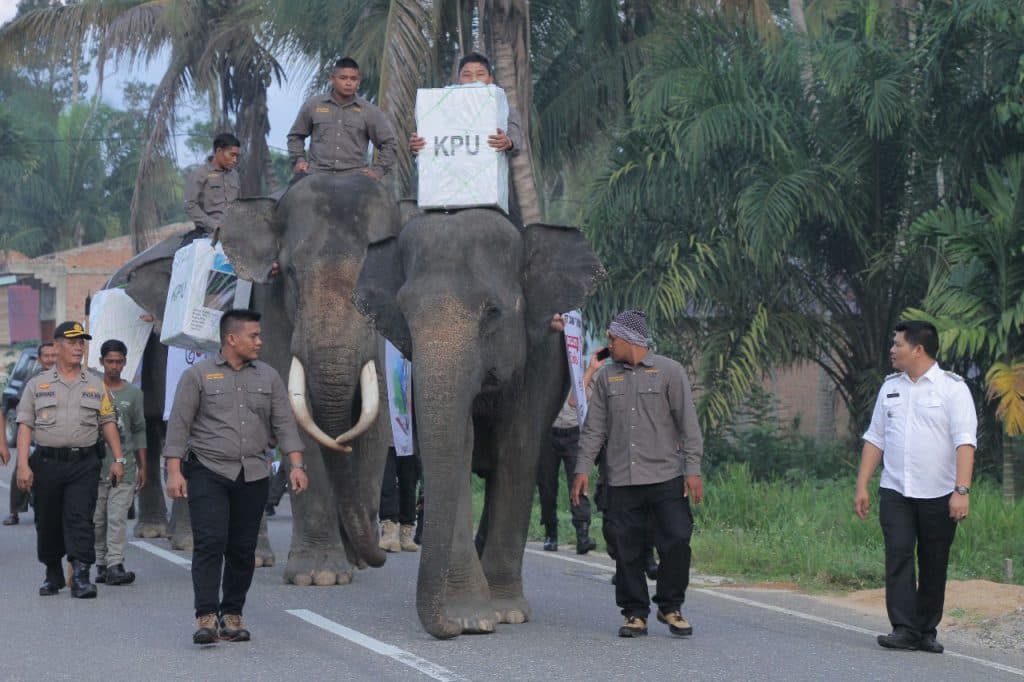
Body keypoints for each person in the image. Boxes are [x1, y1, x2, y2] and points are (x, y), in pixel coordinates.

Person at [164, 309, 308, 645]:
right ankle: (206, 616)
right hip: (208, 471)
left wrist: (296, 464)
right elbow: (179, 426)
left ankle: (232, 614)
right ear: (232, 339)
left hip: (254, 473)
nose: (260, 342)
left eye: (259, 335)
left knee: (243, 549)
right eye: (253, 336)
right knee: (211, 543)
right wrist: (174, 471)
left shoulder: (269, 377)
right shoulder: (198, 375)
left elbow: (284, 424)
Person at [571, 309, 703, 638]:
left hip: (666, 478)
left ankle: (670, 607)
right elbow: (594, 429)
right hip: (621, 479)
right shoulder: (605, 377)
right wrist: (582, 468)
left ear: (630, 340)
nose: (608, 345)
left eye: (612, 339)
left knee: (677, 540)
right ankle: (635, 614)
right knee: (625, 547)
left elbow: (689, 425)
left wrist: (693, 470)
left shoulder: (670, 372)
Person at [855, 320, 976, 654]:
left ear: (918, 349)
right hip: (896, 490)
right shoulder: (890, 387)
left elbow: (965, 442)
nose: (892, 350)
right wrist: (862, 484)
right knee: (898, 554)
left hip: (939, 493)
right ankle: (904, 628)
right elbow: (875, 437)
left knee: (934, 561)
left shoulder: (953, 389)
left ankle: (926, 630)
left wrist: (961, 491)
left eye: (898, 345)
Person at [15, 322, 126, 599]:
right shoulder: (36, 385)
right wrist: (23, 464)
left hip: (83, 463)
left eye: (82, 342)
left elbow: (108, 421)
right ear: (57, 346)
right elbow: (25, 425)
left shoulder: (95, 384)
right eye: (73, 342)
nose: (79, 347)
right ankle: (53, 573)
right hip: (47, 463)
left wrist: (119, 459)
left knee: (80, 518)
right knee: (48, 519)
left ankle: (81, 575)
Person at [287, 57, 397, 180]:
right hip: (315, 175)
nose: (349, 83)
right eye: (343, 78)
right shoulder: (313, 105)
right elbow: (295, 136)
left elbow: (389, 144)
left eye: (353, 79)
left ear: (359, 81)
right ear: (332, 78)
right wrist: (299, 160)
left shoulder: (369, 111)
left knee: (383, 199)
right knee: (288, 197)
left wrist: (378, 170)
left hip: (356, 178)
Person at [93, 339, 147, 587]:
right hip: (94, 467)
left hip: (124, 468)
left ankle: (116, 564)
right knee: (98, 520)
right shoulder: (91, 389)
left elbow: (138, 431)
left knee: (116, 518)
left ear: (125, 362)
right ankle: (101, 564)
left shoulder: (134, 394)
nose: (114, 366)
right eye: (109, 361)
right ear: (101, 362)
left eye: (119, 361)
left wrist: (142, 465)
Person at [538, 348, 601, 554]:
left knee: (579, 481)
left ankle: (582, 534)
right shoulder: (544, 365)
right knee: (547, 484)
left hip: (574, 432)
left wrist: (588, 371)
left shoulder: (587, 368)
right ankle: (550, 532)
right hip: (548, 430)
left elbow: (579, 400)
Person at [409, 52, 522, 157]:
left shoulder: (504, 110)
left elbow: (516, 143)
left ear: (490, 80)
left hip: (488, 177)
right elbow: (430, 142)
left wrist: (508, 143)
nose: (473, 80)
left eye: (480, 74)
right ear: (459, 80)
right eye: (467, 75)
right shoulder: (442, 109)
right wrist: (417, 146)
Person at [4, 342, 57, 526]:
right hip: (35, 435)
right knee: (21, 472)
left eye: (53, 355)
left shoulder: (68, 377)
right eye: (47, 356)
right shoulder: (32, 381)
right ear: (40, 359)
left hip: (59, 437)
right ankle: (15, 512)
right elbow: (23, 411)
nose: (50, 359)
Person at [183, 133, 241, 236]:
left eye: (236, 156)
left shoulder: (235, 175)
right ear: (219, 151)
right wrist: (213, 225)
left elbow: (239, 203)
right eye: (232, 155)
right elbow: (190, 205)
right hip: (207, 233)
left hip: (235, 232)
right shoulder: (199, 174)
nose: (235, 160)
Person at [378, 446, 421, 552]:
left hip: (410, 443)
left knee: (409, 486)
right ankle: (389, 533)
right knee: (387, 483)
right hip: (387, 442)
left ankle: (405, 534)